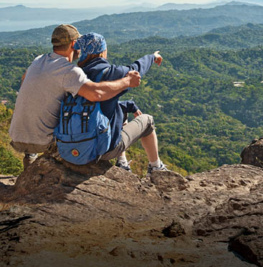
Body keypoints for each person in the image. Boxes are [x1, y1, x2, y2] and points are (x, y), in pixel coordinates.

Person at [9, 24, 141, 169]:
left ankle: (31, 156)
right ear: (73, 44)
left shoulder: (38, 60)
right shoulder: (69, 71)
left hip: (16, 136)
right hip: (43, 141)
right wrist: (127, 81)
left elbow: (24, 80)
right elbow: (96, 94)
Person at [74, 32, 168, 175]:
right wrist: (152, 57)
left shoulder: (73, 75)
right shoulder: (110, 73)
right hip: (99, 150)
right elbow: (136, 69)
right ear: (103, 51)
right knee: (148, 121)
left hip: (72, 144)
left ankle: (122, 162)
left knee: (118, 108)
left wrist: (129, 106)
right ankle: (156, 168)